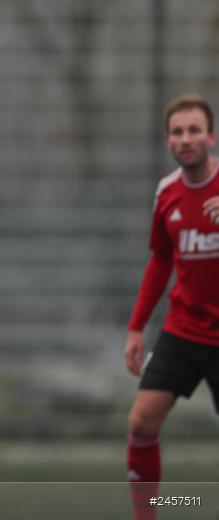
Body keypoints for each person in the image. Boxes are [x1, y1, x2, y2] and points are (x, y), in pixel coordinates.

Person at [124, 94, 219, 520]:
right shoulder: (167, 193)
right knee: (141, 424)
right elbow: (161, 260)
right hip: (182, 331)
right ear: (169, 141)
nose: (186, 139)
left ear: (211, 137)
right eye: (178, 132)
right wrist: (137, 326)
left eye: (194, 130)